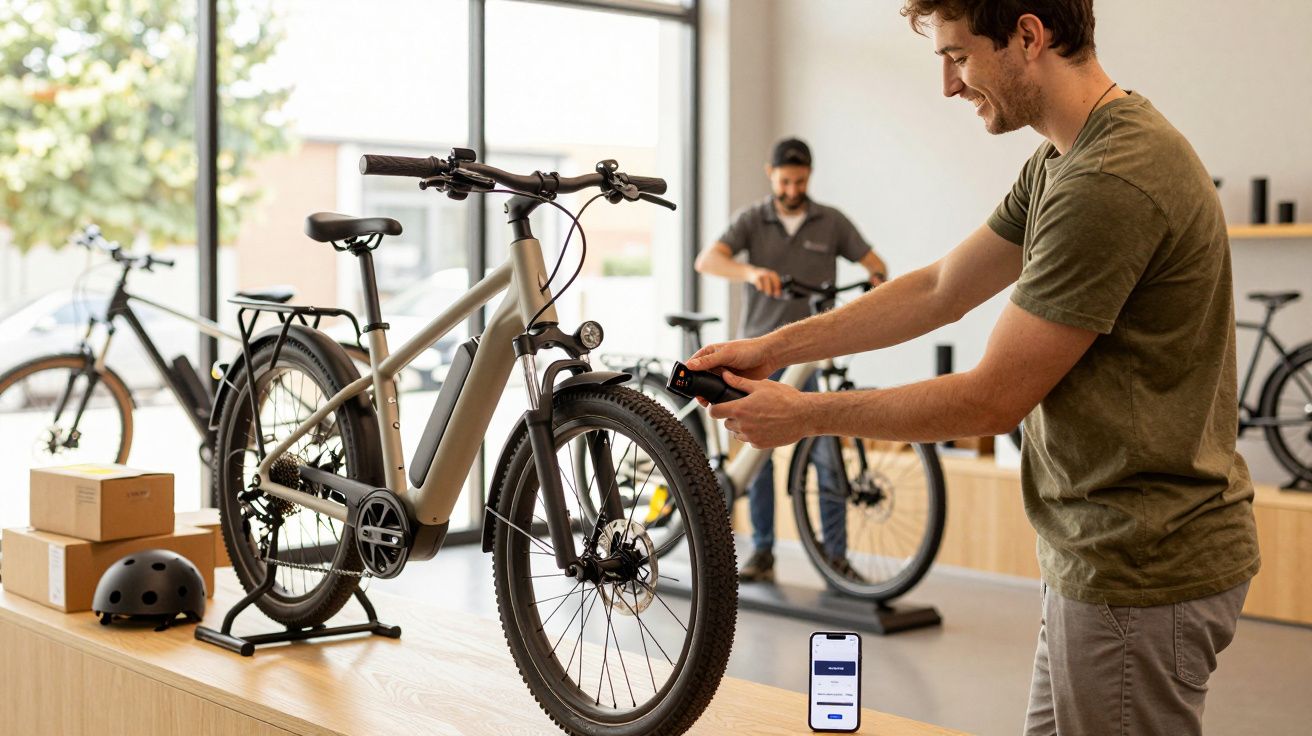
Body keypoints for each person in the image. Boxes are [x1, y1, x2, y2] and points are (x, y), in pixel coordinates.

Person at [686, 3, 1259, 734]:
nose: (950, 87)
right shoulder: (1063, 158)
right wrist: (776, 349)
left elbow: (992, 401)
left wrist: (804, 416)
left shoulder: (1110, 179)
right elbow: (940, 289)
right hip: (1102, 554)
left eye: (958, 57)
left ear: (1028, 35)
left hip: (1139, 568)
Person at [694, 137, 888, 583]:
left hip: (810, 358)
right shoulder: (753, 219)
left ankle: (834, 558)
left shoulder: (831, 222)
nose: (792, 188)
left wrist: (877, 279)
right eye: (785, 181)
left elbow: (875, 262)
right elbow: (707, 260)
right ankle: (762, 552)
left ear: (810, 176)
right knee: (757, 457)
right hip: (758, 354)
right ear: (771, 174)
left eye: (800, 181)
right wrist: (750, 272)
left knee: (826, 455)